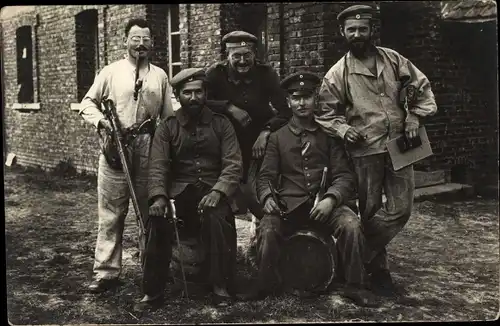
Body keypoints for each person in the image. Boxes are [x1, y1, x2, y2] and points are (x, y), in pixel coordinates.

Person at [316, 5, 437, 296]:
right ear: (342, 33)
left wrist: (414, 116)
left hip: (403, 140)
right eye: (351, 30)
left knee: (401, 209)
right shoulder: (338, 73)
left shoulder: (394, 59)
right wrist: (344, 129)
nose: (357, 34)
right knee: (370, 211)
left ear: (372, 30)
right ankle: (379, 271)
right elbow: (324, 113)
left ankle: (356, 256)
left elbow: (420, 87)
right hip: (364, 148)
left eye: (363, 29)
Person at [240, 71, 378, 307]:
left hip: (323, 205)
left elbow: (345, 176)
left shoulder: (330, 136)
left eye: (306, 97)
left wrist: (331, 200)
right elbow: (265, 177)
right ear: (288, 102)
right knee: (269, 227)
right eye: (296, 98)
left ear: (316, 99)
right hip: (288, 206)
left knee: (351, 225)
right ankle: (264, 283)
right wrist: (267, 198)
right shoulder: (276, 138)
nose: (301, 103)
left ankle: (356, 285)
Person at [135, 68, 243, 311]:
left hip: (212, 191)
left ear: (206, 93)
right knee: (156, 218)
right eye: (187, 93)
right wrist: (160, 197)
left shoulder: (222, 124)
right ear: (177, 95)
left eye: (198, 92)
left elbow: (233, 164)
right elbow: (158, 165)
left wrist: (218, 192)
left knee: (218, 218)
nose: (193, 98)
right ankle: (152, 292)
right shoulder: (168, 127)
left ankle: (220, 285)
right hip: (179, 195)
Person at [79, 18, 174, 293]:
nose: (140, 44)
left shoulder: (159, 75)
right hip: (115, 147)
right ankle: (107, 272)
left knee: (149, 210)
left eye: (145, 39)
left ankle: (152, 271)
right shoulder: (110, 72)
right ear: (125, 41)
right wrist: (102, 123)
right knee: (111, 212)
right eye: (135, 38)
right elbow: (87, 103)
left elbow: (168, 115)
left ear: (152, 44)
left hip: (148, 147)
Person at [204, 30, 291, 220]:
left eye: (247, 55)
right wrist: (228, 107)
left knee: (260, 189)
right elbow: (201, 102)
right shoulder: (215, 74)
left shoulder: (266, 73)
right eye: (236, 56)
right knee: (227, 195)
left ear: (255, 55)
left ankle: (261, 229)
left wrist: (266, 131)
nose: (242, 61)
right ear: (227, 56)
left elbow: (285, 110)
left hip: (258, 141)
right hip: (226, 142)